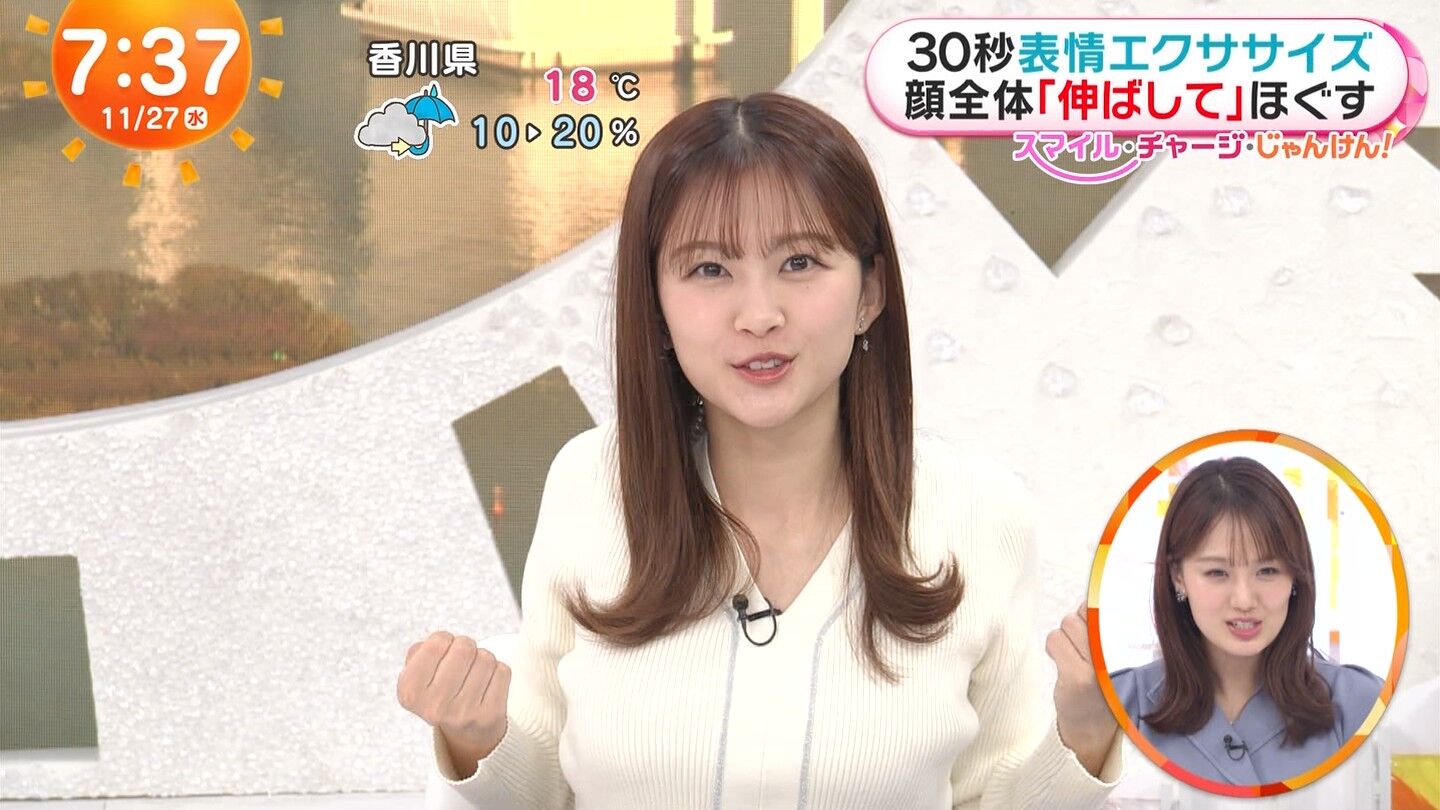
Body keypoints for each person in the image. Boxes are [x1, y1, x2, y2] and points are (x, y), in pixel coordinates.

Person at [397, 92, 1123, 809]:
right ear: (655, 303)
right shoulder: (590, 483)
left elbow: (991, 797)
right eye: (709, 270)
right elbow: (545, 790)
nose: (759, 315)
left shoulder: (980, 513)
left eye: (800, 262)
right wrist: (476, 735)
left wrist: (1087, 732)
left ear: (870, 292)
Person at [1108, 456, 1384, 786]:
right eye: (1217, 573)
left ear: (1295, 577)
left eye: (1267, 571)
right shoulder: (1117, 704)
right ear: (1178, 576)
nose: (1244, 600)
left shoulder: (1360, 704)